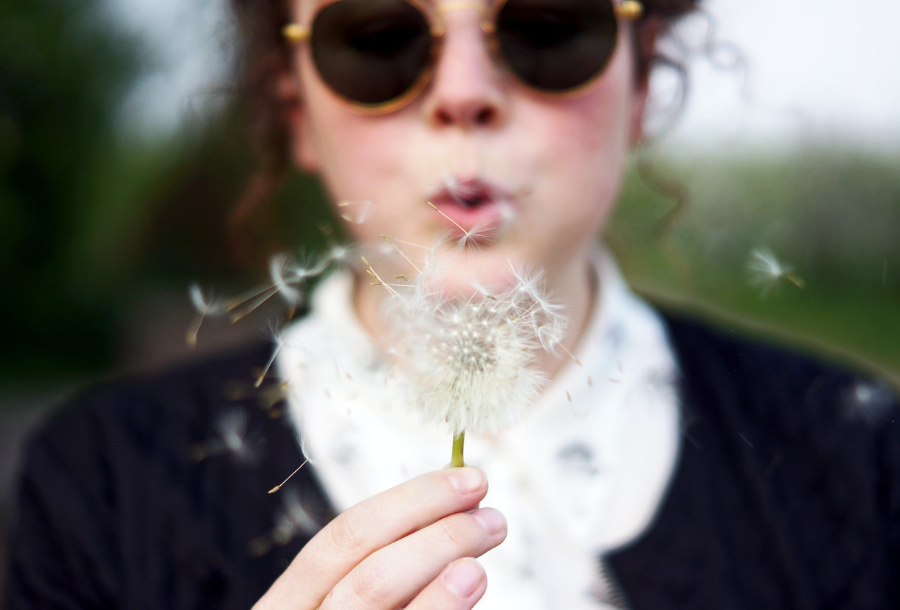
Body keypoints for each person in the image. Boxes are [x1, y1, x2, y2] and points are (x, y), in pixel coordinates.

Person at [7, 0, 900, 608]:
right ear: (291, 103)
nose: (464, 95)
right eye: (379, 37)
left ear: (641, 81)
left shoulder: (860, 458)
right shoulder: (97, 489)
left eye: (550, 28)